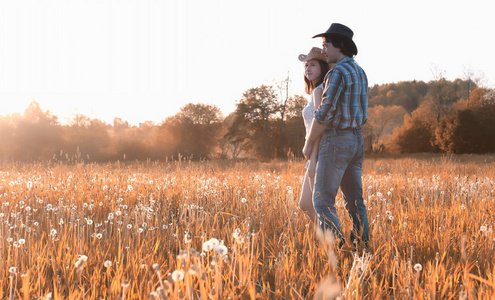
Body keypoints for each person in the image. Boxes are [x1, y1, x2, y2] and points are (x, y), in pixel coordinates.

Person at [302, 23, 370, 248]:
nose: (323, 50)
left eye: (326, 45)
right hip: (356, 139)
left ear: (339, 46)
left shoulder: (337, 72)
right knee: (355, 201)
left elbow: (324, 115)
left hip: (336, 140)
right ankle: (361, 244)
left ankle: (337, 249)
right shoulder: (359, 70)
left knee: (322, 201)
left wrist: (309, 142)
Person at [298, 47, 330, 222]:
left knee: (311, 203)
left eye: (313, 65)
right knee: (307, 203)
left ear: (322, 67)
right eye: (306, 65)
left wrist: (313, 160)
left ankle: (329, 240)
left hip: (318, 152)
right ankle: (326, 239)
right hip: (314, 153)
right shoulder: (315, 92)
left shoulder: (319, 91)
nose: (308, 69)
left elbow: (320, 127)